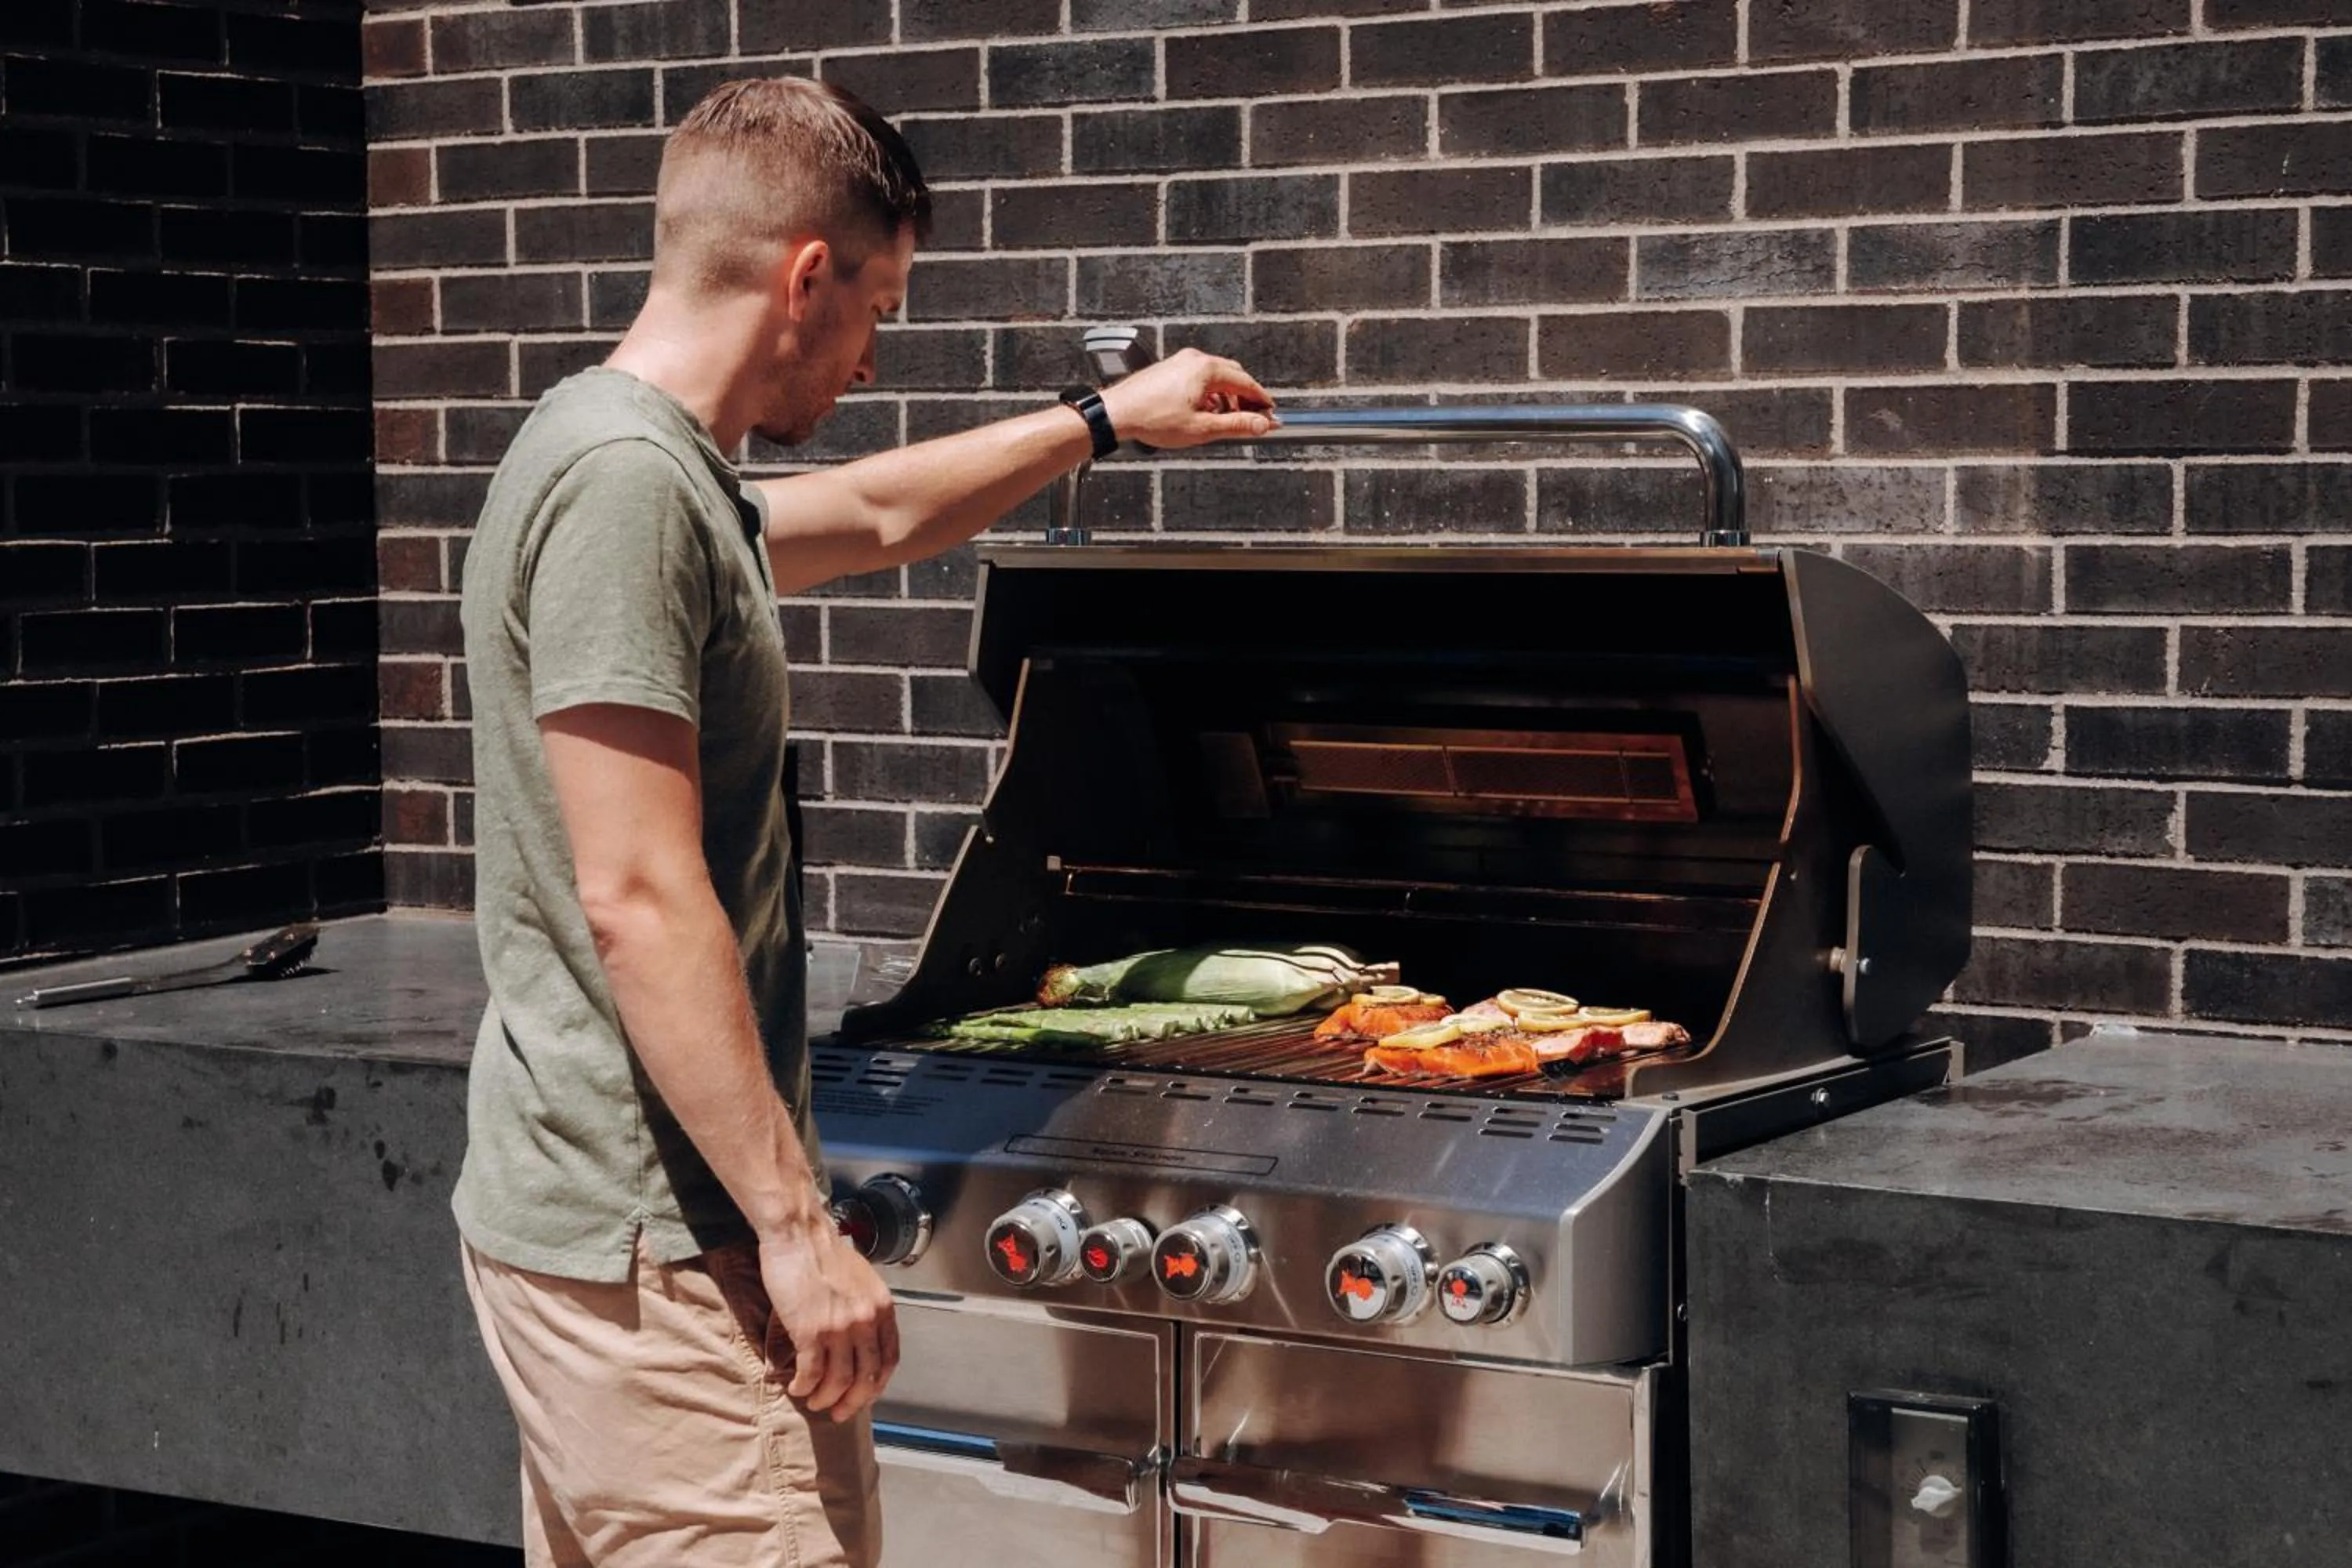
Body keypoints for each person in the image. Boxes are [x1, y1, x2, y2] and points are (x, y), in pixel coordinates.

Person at [450, 75, 1275, 1568]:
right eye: (879, 306)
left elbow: (879, 514)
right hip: (675, 1250)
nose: (875, 350)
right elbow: (640, 893)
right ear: (804, 274)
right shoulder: (632, 489)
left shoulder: (623, 457)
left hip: (593, 1225)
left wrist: (1100, 421)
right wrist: (794, 1225)